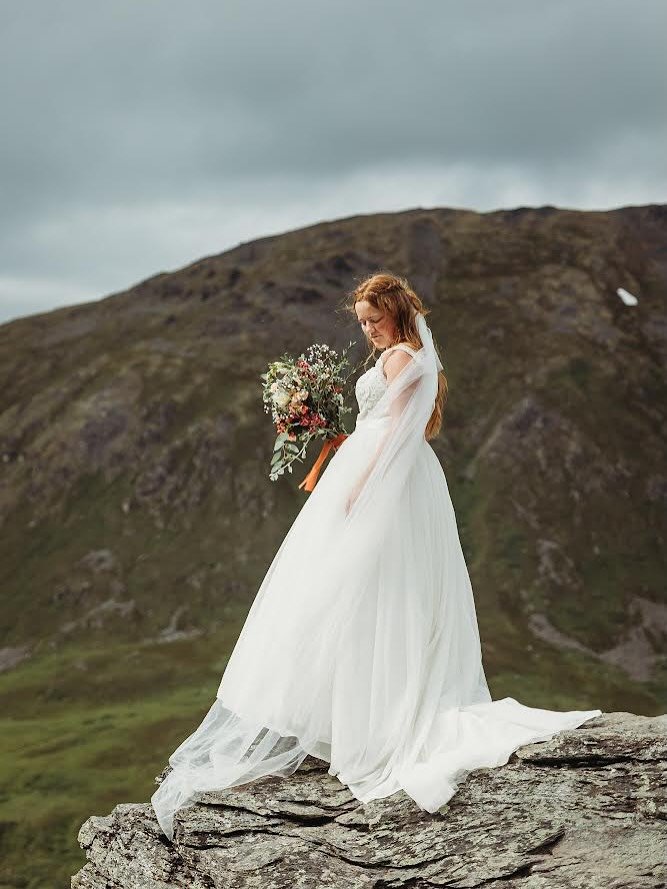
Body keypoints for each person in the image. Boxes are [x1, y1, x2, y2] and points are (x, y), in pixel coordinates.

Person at [150, 271, 601, 841]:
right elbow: (383, 424)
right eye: (361, 322)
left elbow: (392, 435)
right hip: (395, 472)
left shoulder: (403, 361)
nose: (367, 331)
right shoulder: (406, 358)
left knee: (361, 586)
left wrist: (360, 483)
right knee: (369, 588)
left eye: (373, 320)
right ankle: (354, 712)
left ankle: (369, 720)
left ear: (395, 313)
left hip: (387, 474)